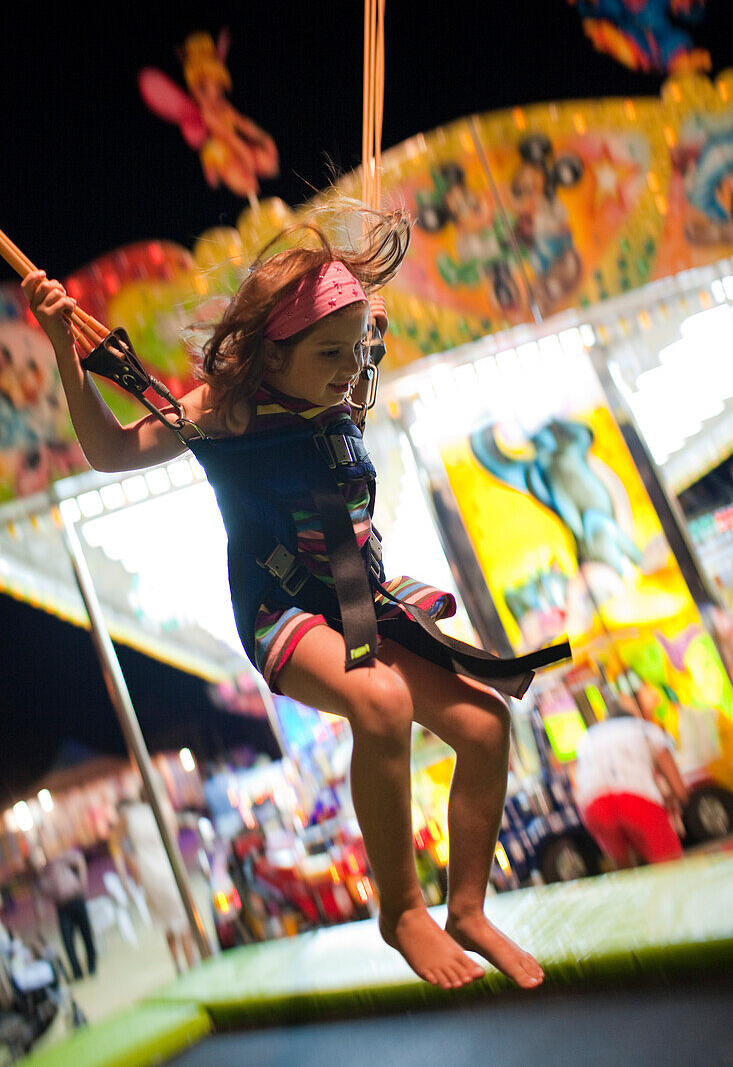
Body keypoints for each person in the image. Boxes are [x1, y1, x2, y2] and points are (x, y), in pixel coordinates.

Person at [22, 205, 570, 991]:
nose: (349, 370)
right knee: (379, 706)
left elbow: (354, 331)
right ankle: (401, 909)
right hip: (281, 610)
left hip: (360, 599)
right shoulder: (227, 412)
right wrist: (66, 356)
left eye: (354, 351)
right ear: (270, 355)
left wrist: (353, 305)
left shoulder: (339, 384)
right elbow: (109, 451)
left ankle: (469, 907)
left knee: (485, 726)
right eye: (328, 353)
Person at [573, 696, 689, 869]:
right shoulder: (644, 729)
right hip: (635, 798)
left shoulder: (588, 738)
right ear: (632, 717)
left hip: (593, 805)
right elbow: (672, 774)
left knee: (625, 872)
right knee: (670, 865)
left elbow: (577, 780)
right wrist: (681, 798)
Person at [115, 788, 195, 974]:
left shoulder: (129, 816)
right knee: (181, 918)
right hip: (166, 866)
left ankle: (178, 964)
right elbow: (173, 838)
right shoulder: (163, 808)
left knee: (167, 920)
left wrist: (129, 868)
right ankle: (191, 964)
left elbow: (116, 843)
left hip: (147, 870)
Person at [30, 847, 96, 981]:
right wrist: (40, 930)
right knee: (67, 940)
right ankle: (77, 971)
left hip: (75, 899)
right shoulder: (37, 882)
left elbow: (78, 858)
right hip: (62, 907)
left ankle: (92, 965)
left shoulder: (57, 862)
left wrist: (82, 883)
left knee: (86, 934)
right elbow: (39, 908)